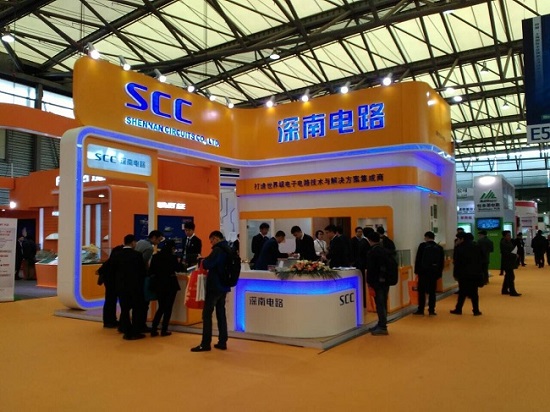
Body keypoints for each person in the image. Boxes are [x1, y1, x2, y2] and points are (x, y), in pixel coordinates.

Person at [191, 231, 231, 352]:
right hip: (224, 285)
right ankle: (222, 341)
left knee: (207, 314)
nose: (211, 243)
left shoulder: (218, 250)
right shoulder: (228, 249)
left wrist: (202, 261)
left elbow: (209, 264)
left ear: (215, 238)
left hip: (214, 286)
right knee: (221, 313)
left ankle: (205, 343)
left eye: (211, 240)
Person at [110, 234, 148, 340]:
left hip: (121, 286)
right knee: (136, 309)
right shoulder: (137, 255)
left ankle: (126, 331)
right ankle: (135, 331)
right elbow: (142, 272)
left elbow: (113, 271)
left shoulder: (117, 255)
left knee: (125, 309)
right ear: (133, 242)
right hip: (135, 287)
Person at [148, 240, 183, 337]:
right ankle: (164, 329)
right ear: (172, 248)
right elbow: (178, 269)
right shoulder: (173, 257)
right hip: (170, 284)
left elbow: (151, 271)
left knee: (161, 307)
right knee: (168, 308)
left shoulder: (155, 257)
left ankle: (154, 328)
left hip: (159, 284)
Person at [135, 229, 164, 332]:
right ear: (154, 238)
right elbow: (143, 262)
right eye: (159, 240)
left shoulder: (140, 242)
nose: (158, 243)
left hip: (134, 276)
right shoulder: (149, 248)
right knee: (143, 304)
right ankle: (141, 325)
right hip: (141, 277)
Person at [450, 232, 484, 315]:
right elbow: (481, 260)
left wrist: (455, 274)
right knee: (474, 292)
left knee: (462, 292)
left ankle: (458, 309)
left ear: (462, 239)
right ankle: (476, 310)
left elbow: (457, 262)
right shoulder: (477, 247)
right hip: (475, 273)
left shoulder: (460, 248)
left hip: (463, 274)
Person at [413, 231, 444, 316]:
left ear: (426, 237)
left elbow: (418, 259)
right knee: (432, 292)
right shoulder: (439, 248)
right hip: (433, 273)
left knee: (421, 291)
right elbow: (441, 262)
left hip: (423, 273)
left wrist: (417, 271)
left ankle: (421, 309)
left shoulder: (422, 246)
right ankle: (431, 310)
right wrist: (439, 274)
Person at [365, 231, 389, 335]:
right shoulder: (384, 250)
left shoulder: (373, 252)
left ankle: (382, 326)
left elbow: (371, 268)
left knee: (379, 303)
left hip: (377, 281)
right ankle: (381, 324)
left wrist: (369, 282)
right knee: (383, 303)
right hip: (385, 280)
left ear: (369, 240)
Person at [96, 244, 124, 328]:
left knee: (109, 302)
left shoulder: (108, 262)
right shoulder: (117, 262)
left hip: (109, 284)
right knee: (112, 303)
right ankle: (111, 321)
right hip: (115, 284)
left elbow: (99, 271)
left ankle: (109, 321)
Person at [501, 230, 521, 296]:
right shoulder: (504, 243)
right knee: (511, 276)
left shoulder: (509, 242)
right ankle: (512, 291)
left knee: (508, 276)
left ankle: (504, 290)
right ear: (504, 236)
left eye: (510, 235)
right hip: (507, 262)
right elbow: (506, 253)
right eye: (508, 235)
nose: (509, 236)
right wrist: (514, 255)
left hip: (510, 261)